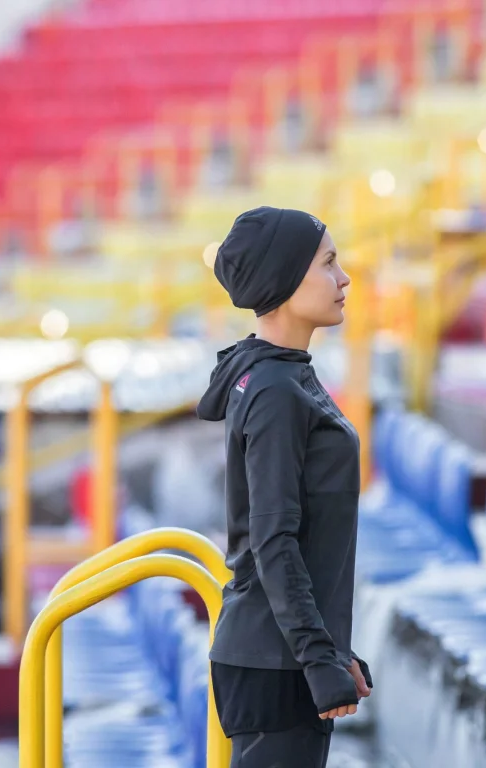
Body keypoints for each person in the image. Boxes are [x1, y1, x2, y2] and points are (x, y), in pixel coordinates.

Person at [197, 207, 372, 768]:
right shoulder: (274, 388)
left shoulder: (279, 371)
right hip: (275, 661)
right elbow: (274, 539)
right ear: (286, 278)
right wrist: (316, 655)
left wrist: (329, 649)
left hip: (281, 653)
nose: (344, 279)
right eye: (328, 264)